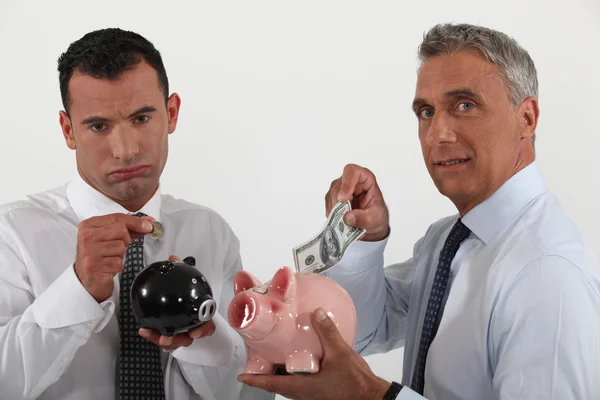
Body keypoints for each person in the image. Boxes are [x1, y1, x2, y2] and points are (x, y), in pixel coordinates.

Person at [239, 23, 600, 399]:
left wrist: (370, 394)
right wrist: (366, 238)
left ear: (526, 118)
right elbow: (365, 330)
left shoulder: (547, 272)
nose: (436, 135)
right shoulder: (448, 240)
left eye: (465, 105)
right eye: (426, 111)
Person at [0, 28, 273, 400]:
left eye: (142, 119)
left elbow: (249, 394)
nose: (125, 150)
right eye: (98, 126)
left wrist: (202, 338)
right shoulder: (11, 233)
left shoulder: (210, 231)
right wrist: (78, 287)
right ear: (68, 130)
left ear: (171, 113)